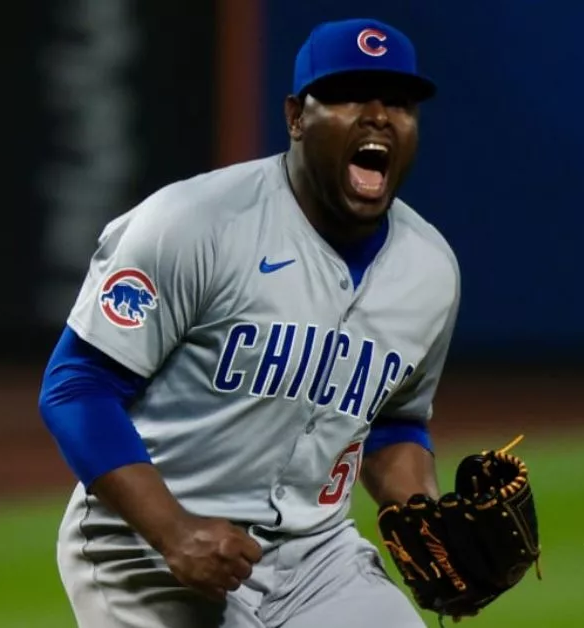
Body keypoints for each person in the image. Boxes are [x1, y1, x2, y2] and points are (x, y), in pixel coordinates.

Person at [39, 17, 454, 627]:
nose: (377, 117)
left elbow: (393, 423)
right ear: (295, 117)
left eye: (399, 102)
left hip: (318, 561)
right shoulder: (193, 223)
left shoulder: (430, 270)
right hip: (144, 545)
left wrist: (429, 524)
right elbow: (77, 386)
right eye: (345, 96)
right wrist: (172, 531)